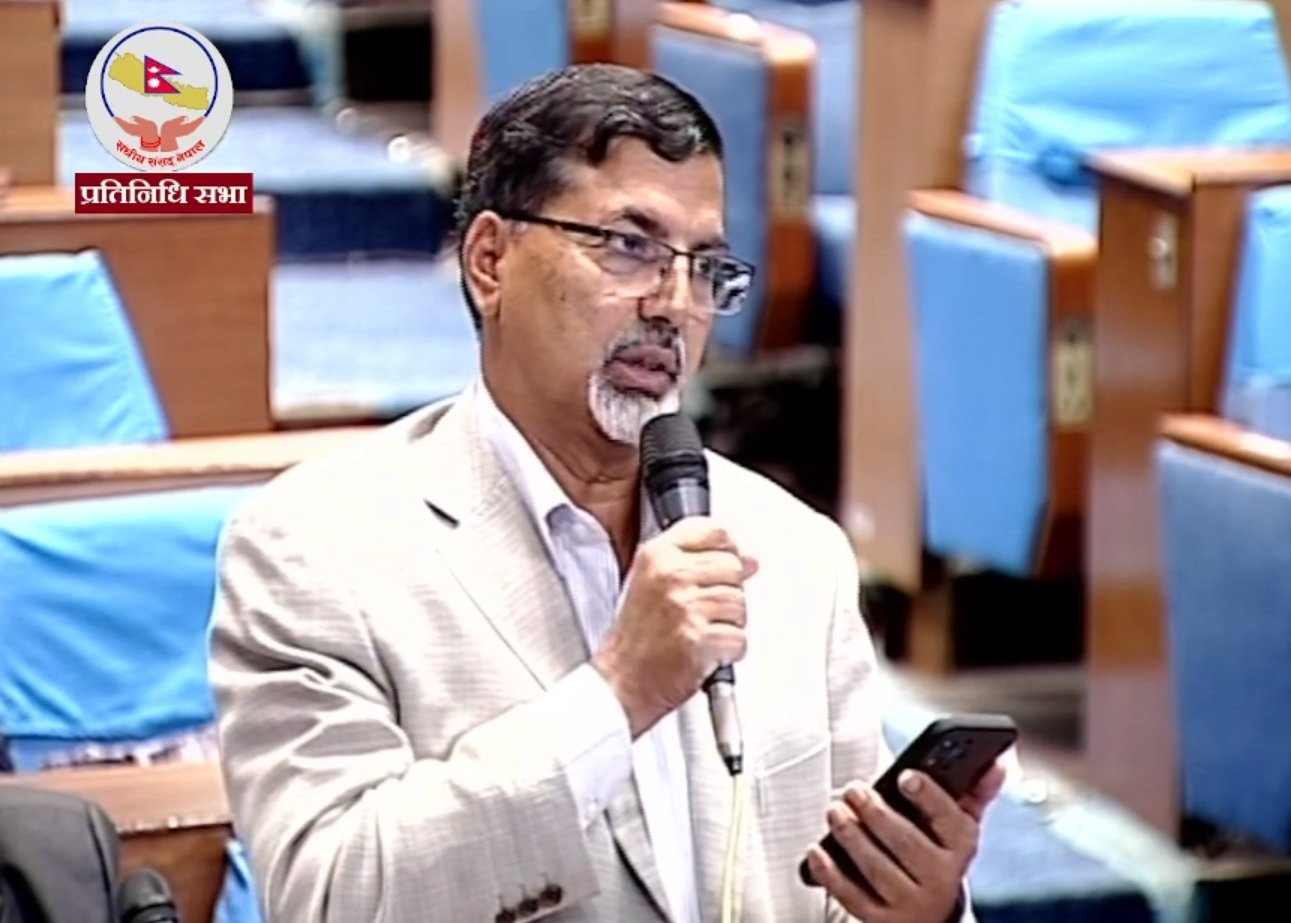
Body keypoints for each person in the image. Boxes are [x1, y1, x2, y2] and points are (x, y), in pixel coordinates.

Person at [208, 63, 1005, 923]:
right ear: (489, 260)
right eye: (629, 245)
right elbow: (333, 896)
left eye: (705, 266)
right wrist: (618, 691)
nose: (674, 304)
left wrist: (918, 906)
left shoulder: (791, 548)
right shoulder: (316, 549)